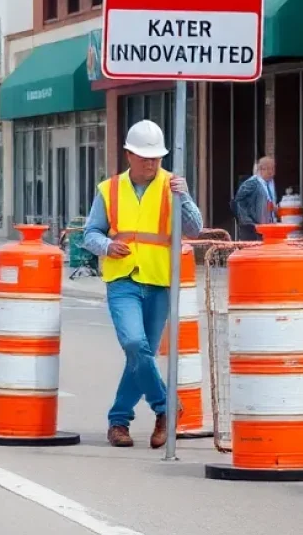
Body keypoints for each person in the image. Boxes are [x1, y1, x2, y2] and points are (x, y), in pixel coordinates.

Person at [81, 119, 210, 450]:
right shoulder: (108, 189)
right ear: (128, 155)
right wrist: (108, 246)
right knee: (135, 344)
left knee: (143, 355)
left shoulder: (172, 186)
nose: (151, 162)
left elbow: (195, 230)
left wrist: (186, 199)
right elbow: (90, 234)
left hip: (158, 280)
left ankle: (119, 421)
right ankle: (166, 407)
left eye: (156, 157)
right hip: (122, 280)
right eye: (144, 156)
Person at [231, 156, 277, 241]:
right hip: (252, 229)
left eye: (273, 169)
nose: (272, 172)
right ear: (261, 169)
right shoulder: (252, 183)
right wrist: (248, 222)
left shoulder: (269, 184)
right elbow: (237, 202)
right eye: (269, 169)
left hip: (264, 227)